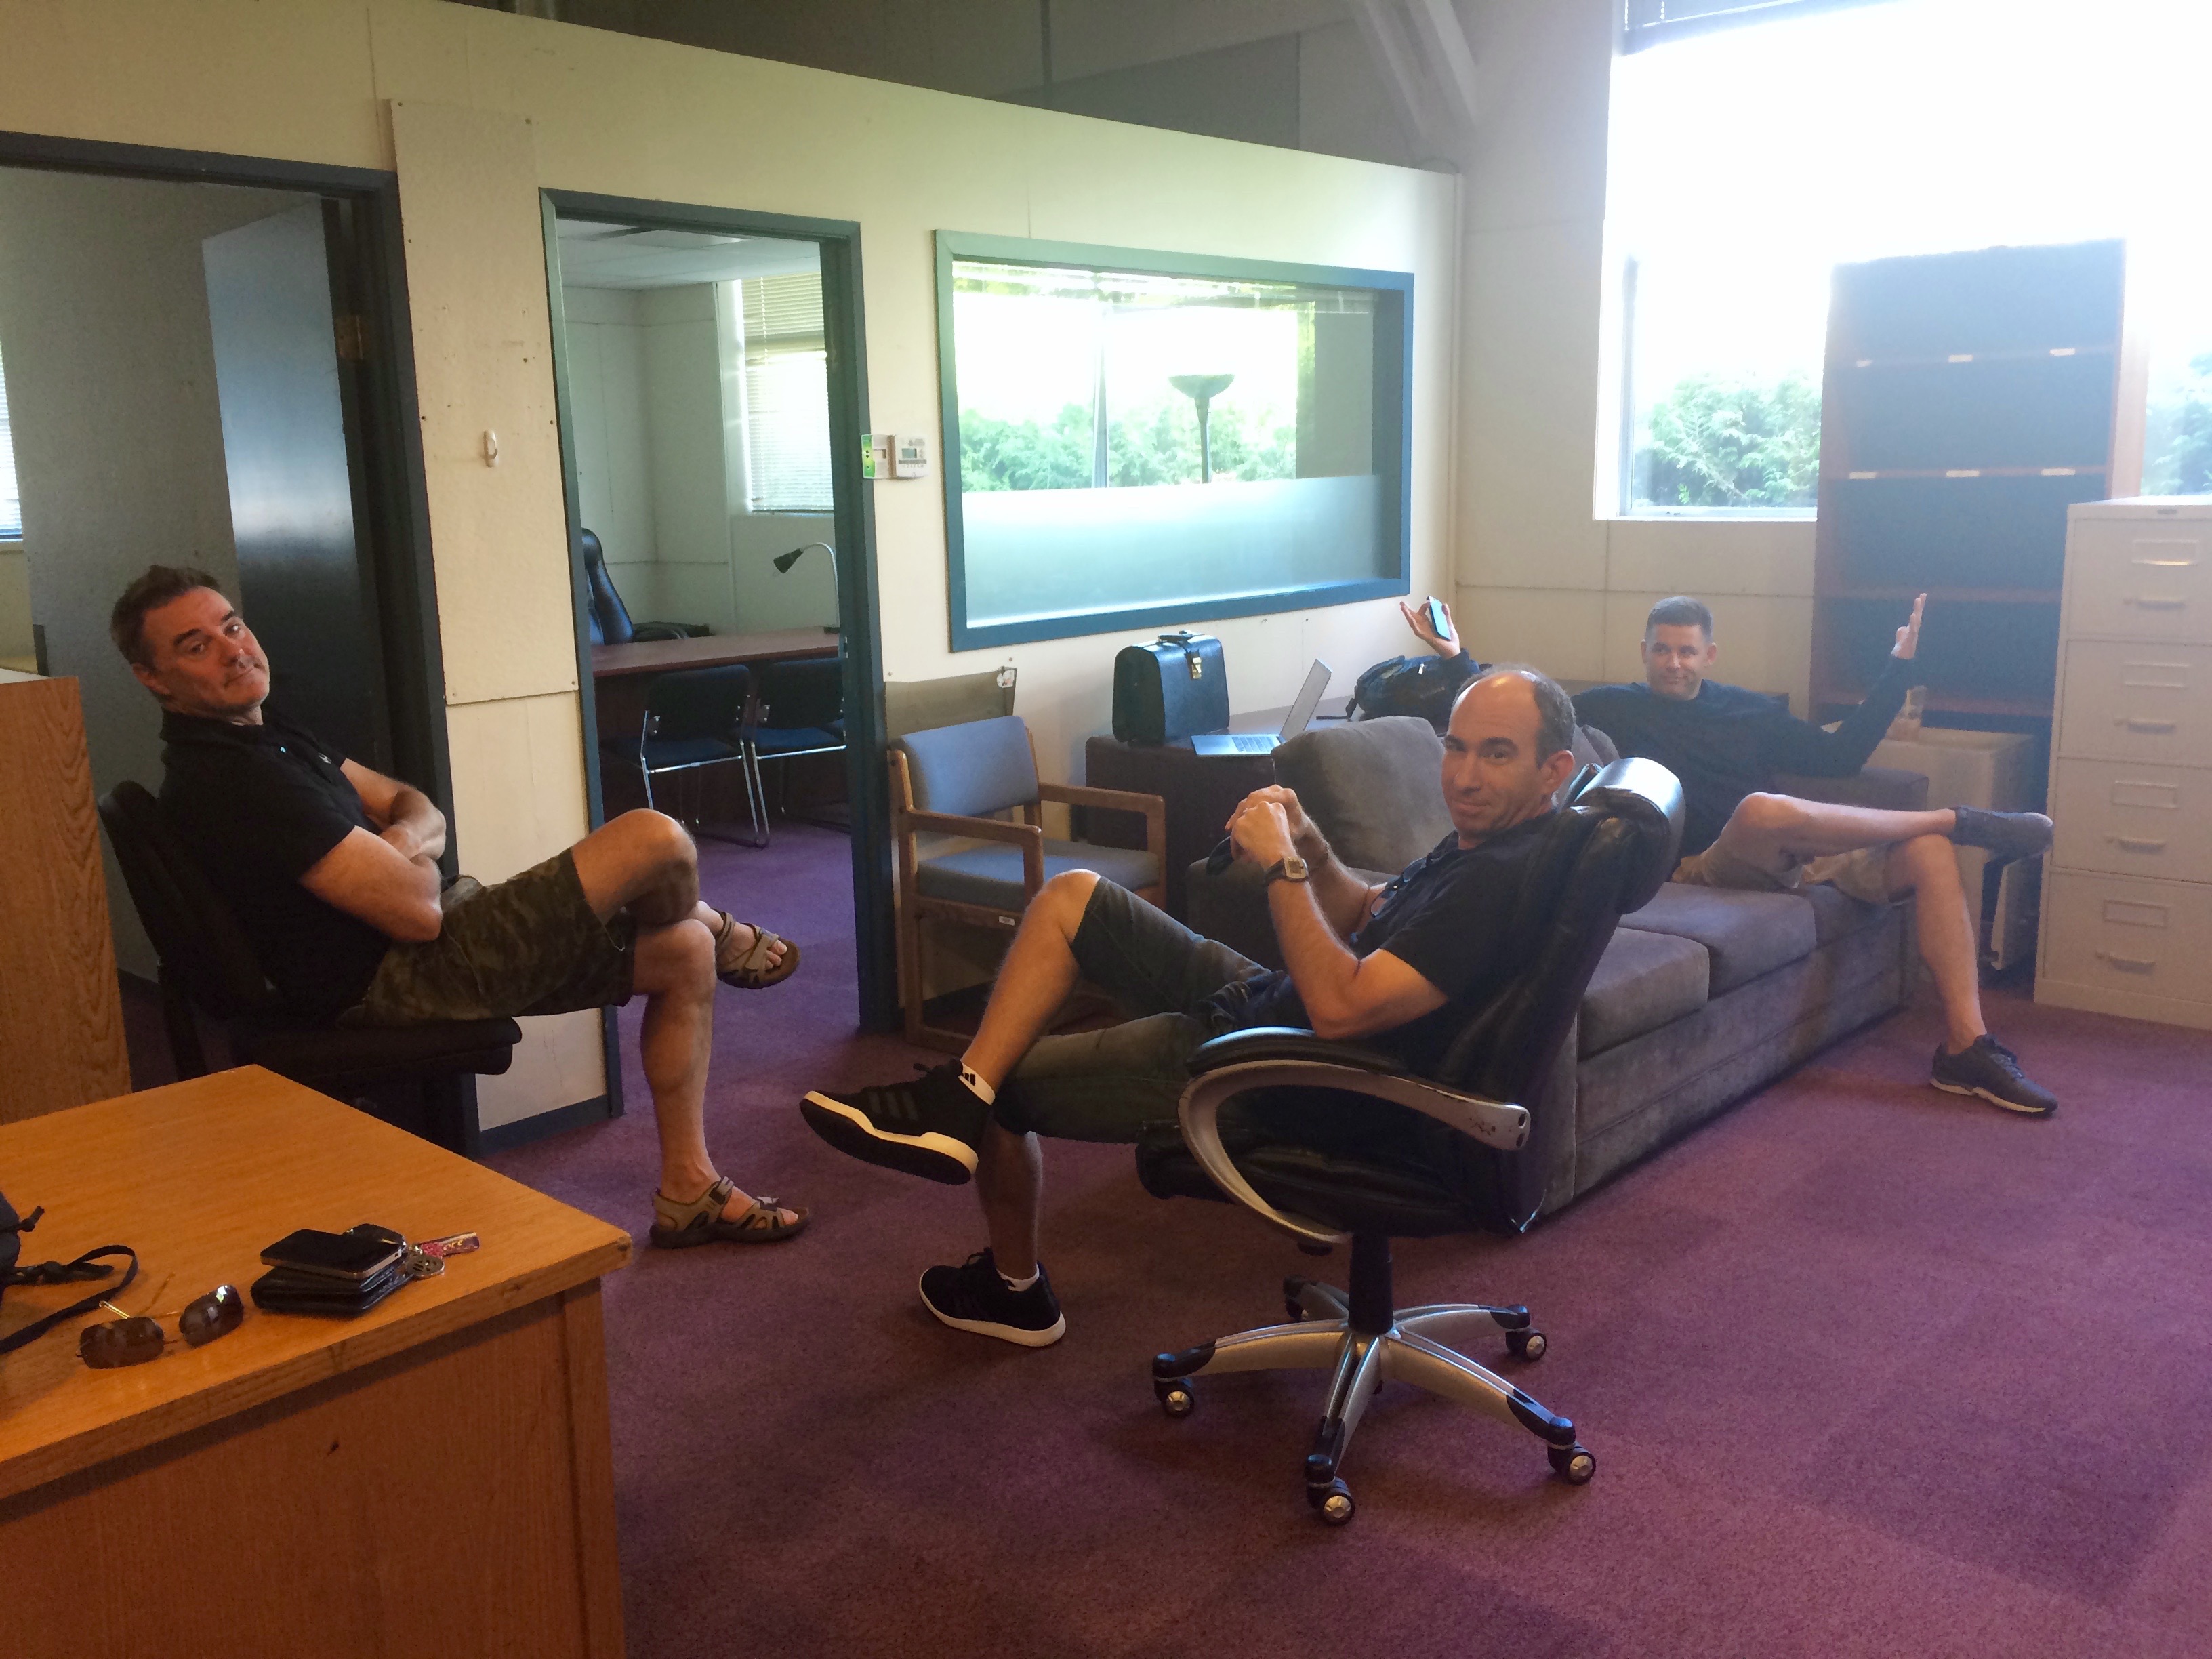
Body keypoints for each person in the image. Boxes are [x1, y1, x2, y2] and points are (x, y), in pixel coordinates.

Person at [797, 666, 1582, 1347]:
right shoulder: (1485, 843)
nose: (1464, 775)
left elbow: (1341, 1011)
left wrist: (1281, 867)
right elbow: (1366, 915)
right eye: (1456, 747)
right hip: (1266, 1008)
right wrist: (1311, 845)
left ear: (1555, 770)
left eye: (1496, 754)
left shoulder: (1494, 885)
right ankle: (960, 1094)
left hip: (1285, 1072)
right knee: (1075, 897)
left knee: (1008, 1079)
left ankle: (1013, 1288)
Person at [111, 565, 809, 1246]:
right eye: (196, 646)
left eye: (232, 626)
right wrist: (410, 857)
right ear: (153, 677)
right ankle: (717, 923)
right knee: (655, 839)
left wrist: (397, 844)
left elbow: (411, 803)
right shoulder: (235, 780)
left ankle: (688, 1188)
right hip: (392, 978)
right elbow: (418, 913)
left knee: (681, 952)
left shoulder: (267, 732)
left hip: (430, 936)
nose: (233, 650)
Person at [1408, 592, 2057, 1117]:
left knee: (1930, 853)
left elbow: (1842, 755)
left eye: (1687, 651)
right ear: (1644, 652)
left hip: (1787, 860)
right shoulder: (1610, 708)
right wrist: (1457, 658)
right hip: (1701, 868)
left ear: (1709, 654)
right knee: (1759, 810)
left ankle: (1967, 1045)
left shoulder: (1749, 712)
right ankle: (1962, 819)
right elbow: (1522, 723)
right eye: (1662, 650)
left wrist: (1899, 666)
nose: (1674, 663)